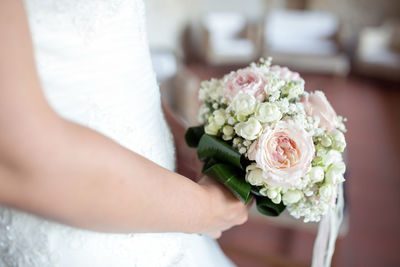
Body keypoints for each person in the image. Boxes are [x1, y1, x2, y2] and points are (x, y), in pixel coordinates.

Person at [0, 1, 250, 266]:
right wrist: (205, 209)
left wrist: (177, 137)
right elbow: (17, 156)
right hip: (74, 234)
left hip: (165, 200)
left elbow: (113, 57)